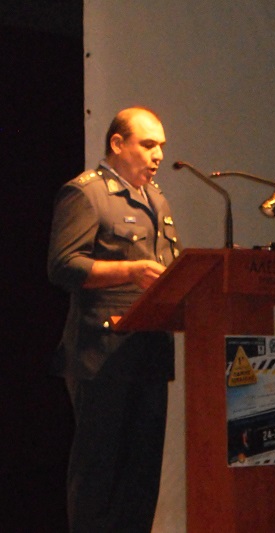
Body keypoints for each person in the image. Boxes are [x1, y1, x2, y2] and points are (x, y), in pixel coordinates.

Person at [47, 107, 181, 532]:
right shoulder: (86, 193)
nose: (159, 155)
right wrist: (130, 271)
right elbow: (63, 266)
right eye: (148, 144)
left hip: (150, 353)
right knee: (99, 476)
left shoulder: (156, 200)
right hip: (102, 356)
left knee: (141, 479)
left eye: (161, 145)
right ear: (117, 144)